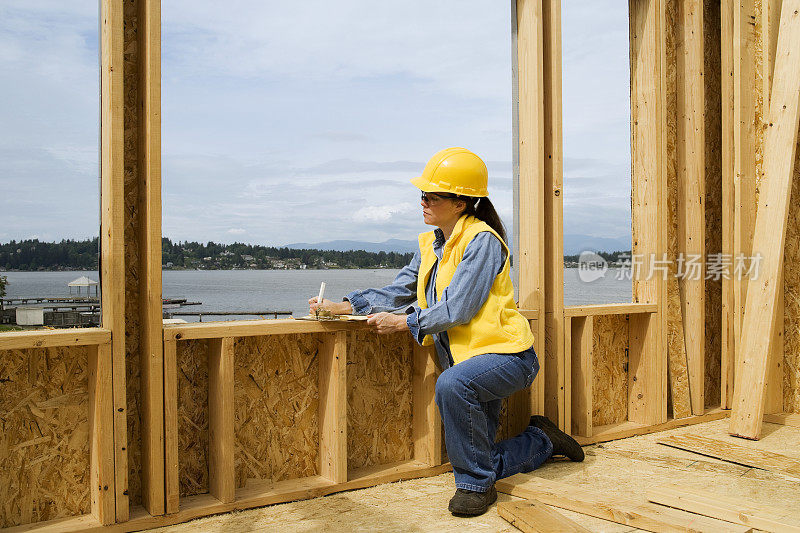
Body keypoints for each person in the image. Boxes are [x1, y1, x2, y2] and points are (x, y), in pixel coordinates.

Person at [309, 147, 584, 517]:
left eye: (432, 196)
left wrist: (405, 322)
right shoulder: (430, 245)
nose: (422, 202)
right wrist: (343, 306)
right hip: (467, 361)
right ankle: (540, 440)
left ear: (461, 202)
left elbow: (460, 306)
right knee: (481, 457)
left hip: (507, 357)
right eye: (421, 195)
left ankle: (474, 487)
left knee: (453, 387)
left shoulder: (482, 241)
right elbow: (397, 291)